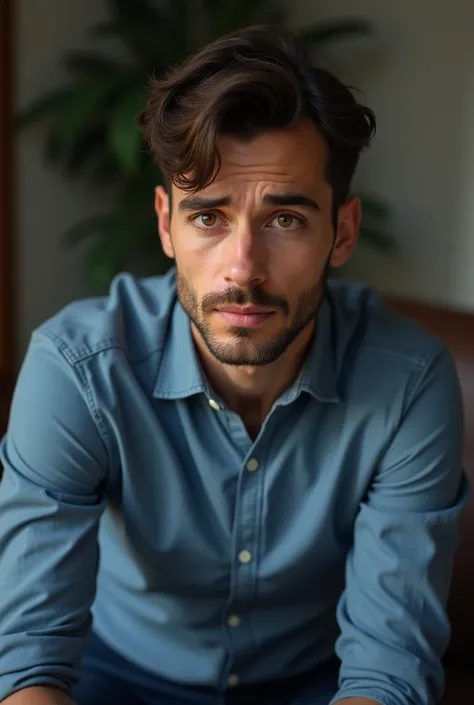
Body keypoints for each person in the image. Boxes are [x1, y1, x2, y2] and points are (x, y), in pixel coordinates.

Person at [0, 24, 467, 705]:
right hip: (116, 676)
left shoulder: (408, 381)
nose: (242, 270)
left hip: (316, 682)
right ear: (166, 224)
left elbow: (390, 663)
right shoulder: (77, 370)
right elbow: (27, 653)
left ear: (342, 231)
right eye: (209, 217)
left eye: (285, 220)